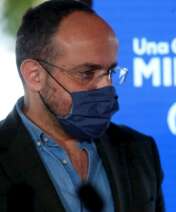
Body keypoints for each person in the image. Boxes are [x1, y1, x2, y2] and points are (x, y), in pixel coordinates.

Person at [0, 1, 164, 212]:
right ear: (35, 75)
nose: (107, 88)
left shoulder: (140, 151)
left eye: (110, 72)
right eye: (87, 73)